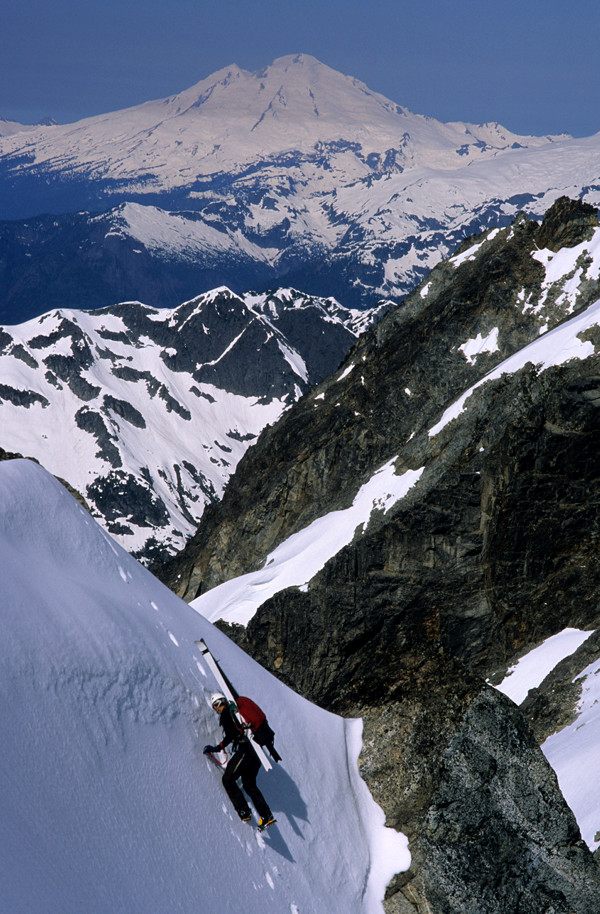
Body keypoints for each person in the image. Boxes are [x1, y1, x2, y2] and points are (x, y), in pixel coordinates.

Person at [204, 692, 275, 828]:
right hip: (256, 752)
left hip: (246, 750)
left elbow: (231, 735)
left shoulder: (226, 714)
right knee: (248, 784)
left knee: (228, 779)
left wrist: (218, 747)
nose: (216, 710)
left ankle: (243, 810)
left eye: (215, 707)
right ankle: (266, 815)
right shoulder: (234, 711)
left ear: (219, 704)